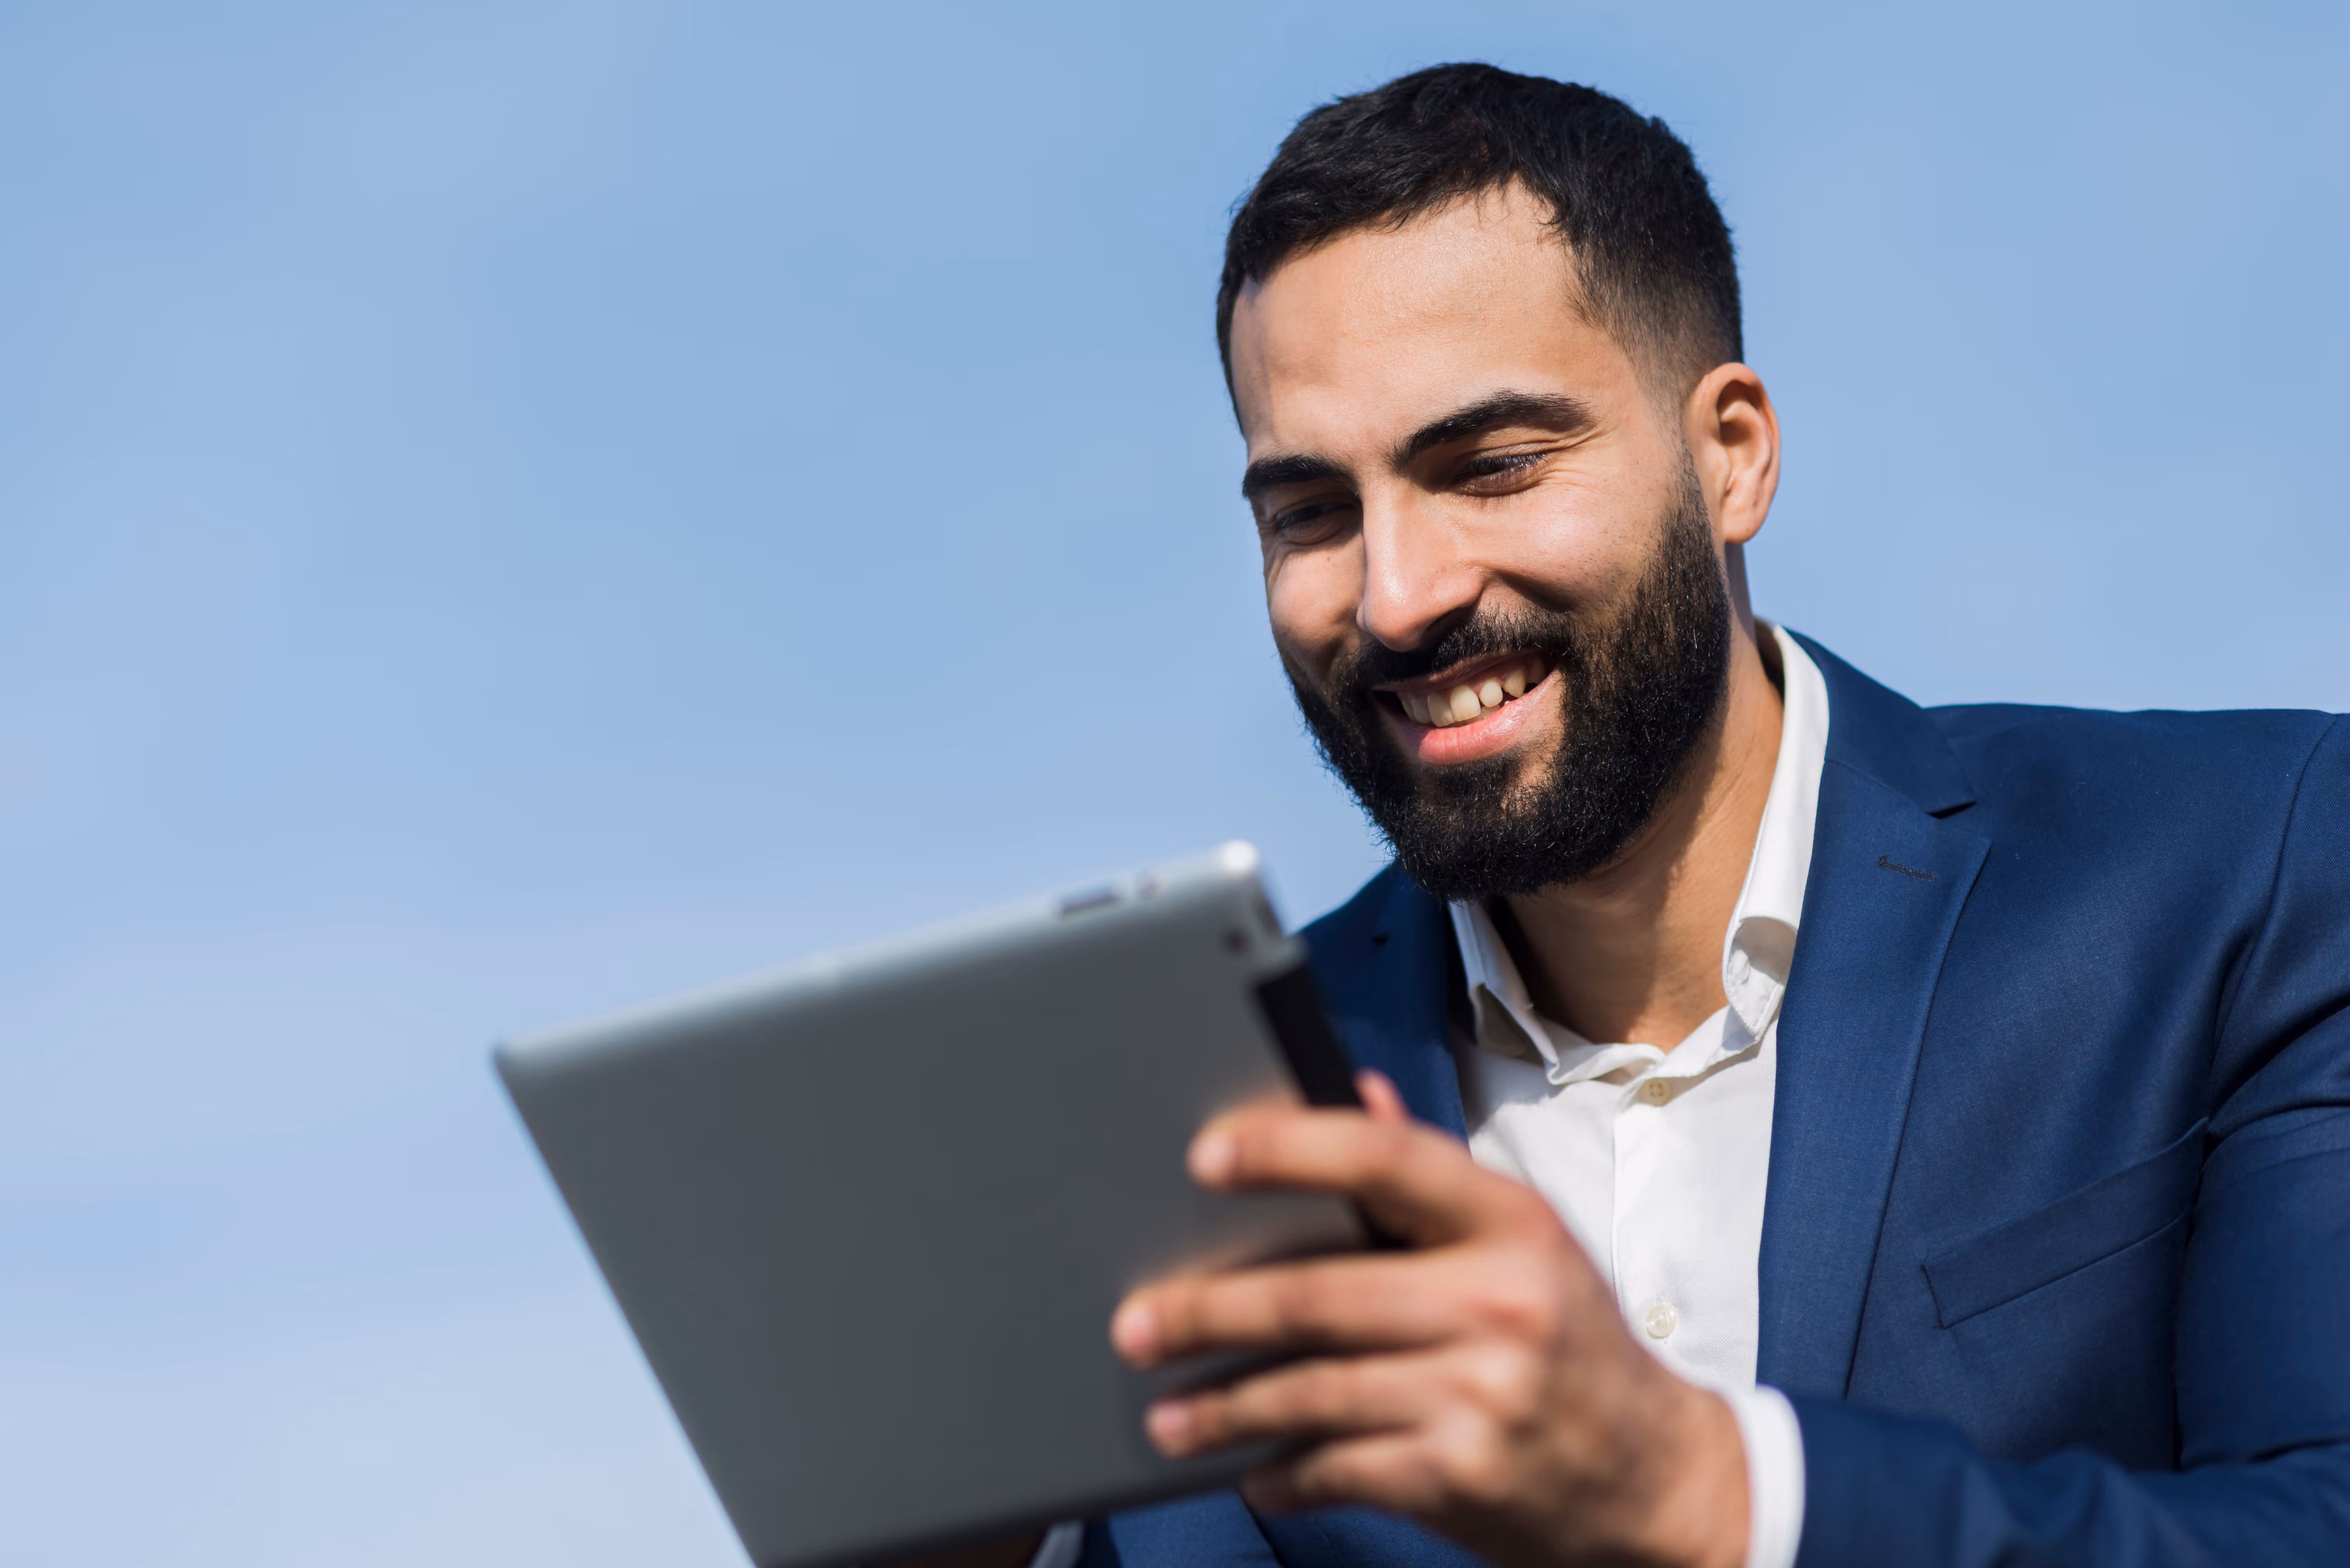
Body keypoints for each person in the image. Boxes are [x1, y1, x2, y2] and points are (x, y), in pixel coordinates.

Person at [917, 62, 2350, 1568]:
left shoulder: (2253, 870)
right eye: (1310, 514)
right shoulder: (1207, 1127)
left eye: (1492, 467)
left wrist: (1705, 1493)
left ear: (1728, 455)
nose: (1396, 596)